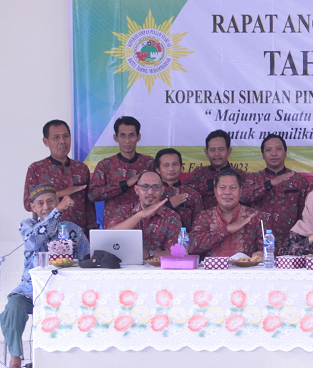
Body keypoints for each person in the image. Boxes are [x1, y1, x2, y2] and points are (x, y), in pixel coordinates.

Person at [1, 184, 90, 368]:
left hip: (65, 290)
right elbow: (34, 240)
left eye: (51, 202)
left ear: (57, 201)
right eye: (40, 203)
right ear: (33, 208)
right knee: (13, 307)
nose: (46, 207)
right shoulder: (27, 226)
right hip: (30, 289)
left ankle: (65, 359)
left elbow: (86, 259)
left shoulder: (73, 230)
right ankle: (15, 357)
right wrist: (57, 212)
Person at [24, 119, 95, 236]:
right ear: (46, 142)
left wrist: (91, 233)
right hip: (48, 235)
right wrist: (62, 193)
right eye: (56, 137)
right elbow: (28, 203)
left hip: (79, 235)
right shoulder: (36, 169)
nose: (62, 141)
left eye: (65, 136)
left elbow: (89, 206)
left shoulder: (81, 168)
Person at [241, 134, 309, 251]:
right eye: (268, 150)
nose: (274, 154)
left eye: (278, 149)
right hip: (258, 242)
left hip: (289, 242)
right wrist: (269, 184)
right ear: (263, 155)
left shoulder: (298, 180)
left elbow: (305, 214)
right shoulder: (254, 179)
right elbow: (242, 197)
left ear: (285, 153)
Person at [88, 116, 154, 222]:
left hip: (144, 222)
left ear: (138, 137)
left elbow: (159, 190)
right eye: (123, 135)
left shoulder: (149, 163)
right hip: (114, 223)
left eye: (131, 135)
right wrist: (125, 184)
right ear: (116, 138)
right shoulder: (105, 165)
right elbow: (93, 195)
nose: (127, 140)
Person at [104, 171, 181, 260]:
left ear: (162, 190)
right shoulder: (123, 211)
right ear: (137, 190)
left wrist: (149, 254)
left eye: (156, 187)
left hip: (157, 267)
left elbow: (176, 253)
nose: (150, 192)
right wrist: (139, 215)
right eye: (145, 187)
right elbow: (108, 237)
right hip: (125, 266)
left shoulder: (172, 217)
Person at [189, 168, 264, 258]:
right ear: (215, 191)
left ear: (240, 191)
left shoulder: (255, 216)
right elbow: (191, 247)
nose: (227, 192)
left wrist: (262, 254)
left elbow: (268, 247)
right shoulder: (204, 217)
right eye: (222, 188)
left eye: (232, 188)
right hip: (212, 267)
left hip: (244, 267)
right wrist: (226, 229)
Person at [184, 130, 246, 210]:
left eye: (221, 149)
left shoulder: (240, 175)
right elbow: (184, 191)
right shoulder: (199, 173)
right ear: (206, 152)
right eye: (212, 150)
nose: (217, 154)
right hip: (203, 217)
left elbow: (247, 196)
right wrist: (209, 184)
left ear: (229, 151)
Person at [154, 148, 204, 230]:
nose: (171, 169)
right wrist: (168, 206)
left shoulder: (193, 194)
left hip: (185, 237)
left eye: (175, 164)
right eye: (166, 165)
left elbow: (199, 226)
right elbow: (145, 219)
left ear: (181, 167)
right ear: (158, 170)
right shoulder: (151, 193)